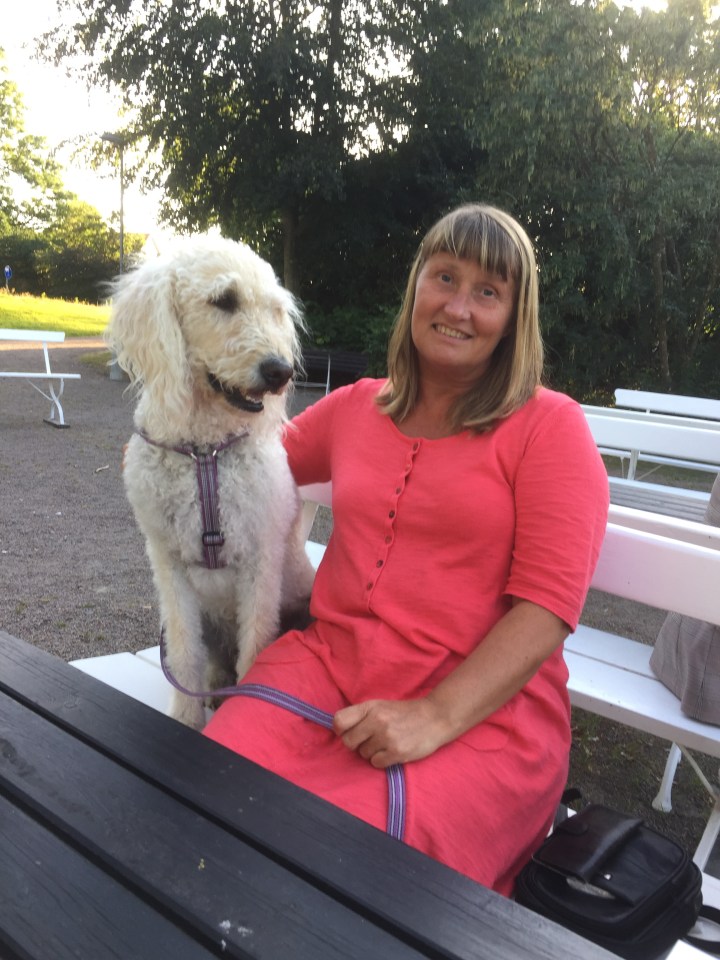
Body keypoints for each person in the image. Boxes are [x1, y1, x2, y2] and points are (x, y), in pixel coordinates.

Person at [204, 203, 610, 895]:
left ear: (515, 316)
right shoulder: (359, 405)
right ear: (417, 284)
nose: (458, 306)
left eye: (488, 292)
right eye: (444, 277)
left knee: (342, 876)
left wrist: (435, 716)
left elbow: (546, 609)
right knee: (208, 794)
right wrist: (168, 449)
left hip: (480, 715)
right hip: (328, 669)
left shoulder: (551, 428)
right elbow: (249, 462)